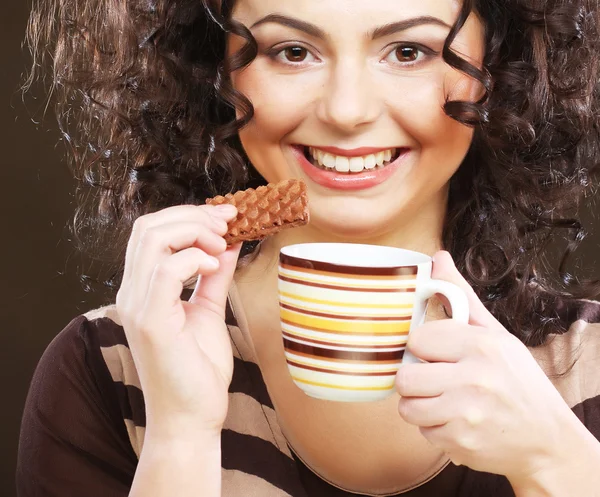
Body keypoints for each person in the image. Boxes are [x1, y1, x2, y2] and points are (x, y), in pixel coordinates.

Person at [17, 0, 600, 495]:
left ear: (501, 65)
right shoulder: (108, 373)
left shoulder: (588, 368)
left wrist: (554, 461)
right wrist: (179, 434)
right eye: (292, 51)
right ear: (212, 69)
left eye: (408, 52)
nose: (347, 112)